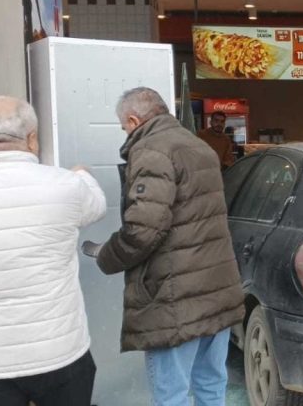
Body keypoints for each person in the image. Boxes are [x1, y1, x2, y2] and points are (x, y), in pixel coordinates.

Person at [95, 87, 244, 406]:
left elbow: (142, 231)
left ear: (134, 119)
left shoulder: (152, 150)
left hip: (175, 298)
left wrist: (106, 256)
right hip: (216, 291)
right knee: (211, 385)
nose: (126, 133)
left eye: (125, 127)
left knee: (171, 395)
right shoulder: (198, 146)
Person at [0, 96, 106, 405]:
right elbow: (97, 206)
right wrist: (82, 174)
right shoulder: (66, 186)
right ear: (31, 139)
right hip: (60, 354)